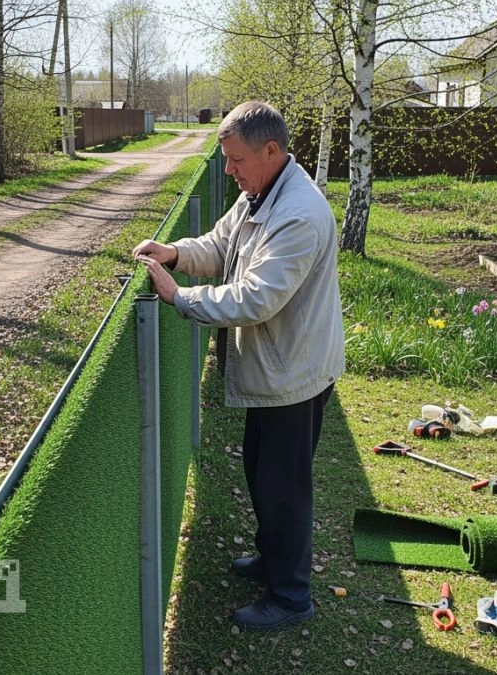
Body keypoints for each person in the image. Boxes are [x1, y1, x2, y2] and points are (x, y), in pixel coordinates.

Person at [132, 101, 345, 631]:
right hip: (277, 367)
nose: (228, 170)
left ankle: (291, 596)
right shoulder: (260, 194)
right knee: (261, 473)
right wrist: (175, 253)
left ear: (271, 151)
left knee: (284, 489)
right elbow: (219, 244)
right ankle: (273, 561)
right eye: (225, 160)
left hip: (294, 375)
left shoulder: (297, 212)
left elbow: (256, 298)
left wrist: (180, 298)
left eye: (235, 160)